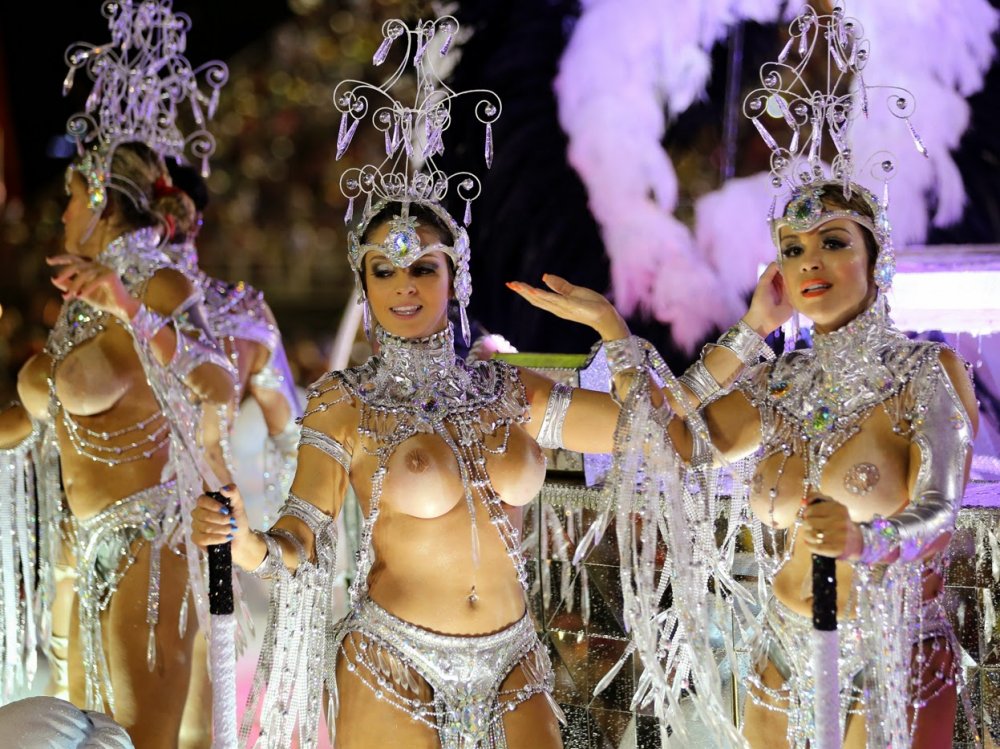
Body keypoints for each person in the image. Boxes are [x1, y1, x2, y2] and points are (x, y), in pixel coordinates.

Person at [509, 179, 977, 748]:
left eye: (833, 242)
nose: (811, 262)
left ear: (878, 261)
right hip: (781, 649)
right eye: (793, 249)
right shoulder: (782, 382)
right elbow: (668, 439)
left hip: (892, 650)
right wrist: (619, 330)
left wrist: (863, 540)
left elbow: (939, 514)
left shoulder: (923, 372)